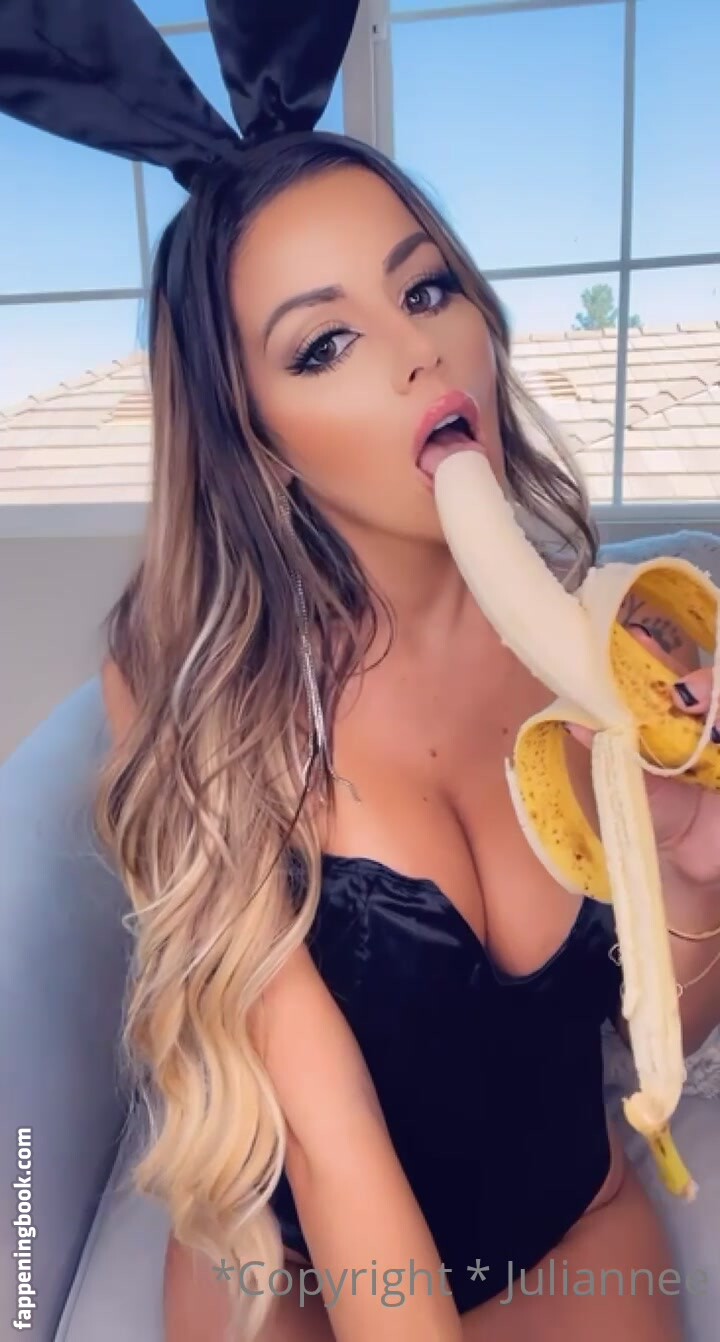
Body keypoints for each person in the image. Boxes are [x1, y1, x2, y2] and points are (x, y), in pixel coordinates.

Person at [3, 4, 720, 1340]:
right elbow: (329, 1146)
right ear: (258, 438)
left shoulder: (615, 644)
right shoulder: (198, 692)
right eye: (323, 344)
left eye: (426, 288)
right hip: (297, 1279)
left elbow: (649, 1034)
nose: (417, 350)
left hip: (574, 1234)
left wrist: (693, 861)